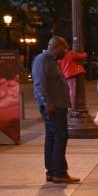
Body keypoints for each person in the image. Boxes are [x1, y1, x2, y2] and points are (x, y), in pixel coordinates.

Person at [31, 36, 79, 185]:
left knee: (52, 137)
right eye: (65, 49)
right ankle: (59, 172)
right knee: (60, 136)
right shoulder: (43, 59)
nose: (66, 53)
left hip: (57, 105)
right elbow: (39, 83)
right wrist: (47, 102)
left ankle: (52, 172)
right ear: (57, 47)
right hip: (53, 106)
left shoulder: (51, 61)